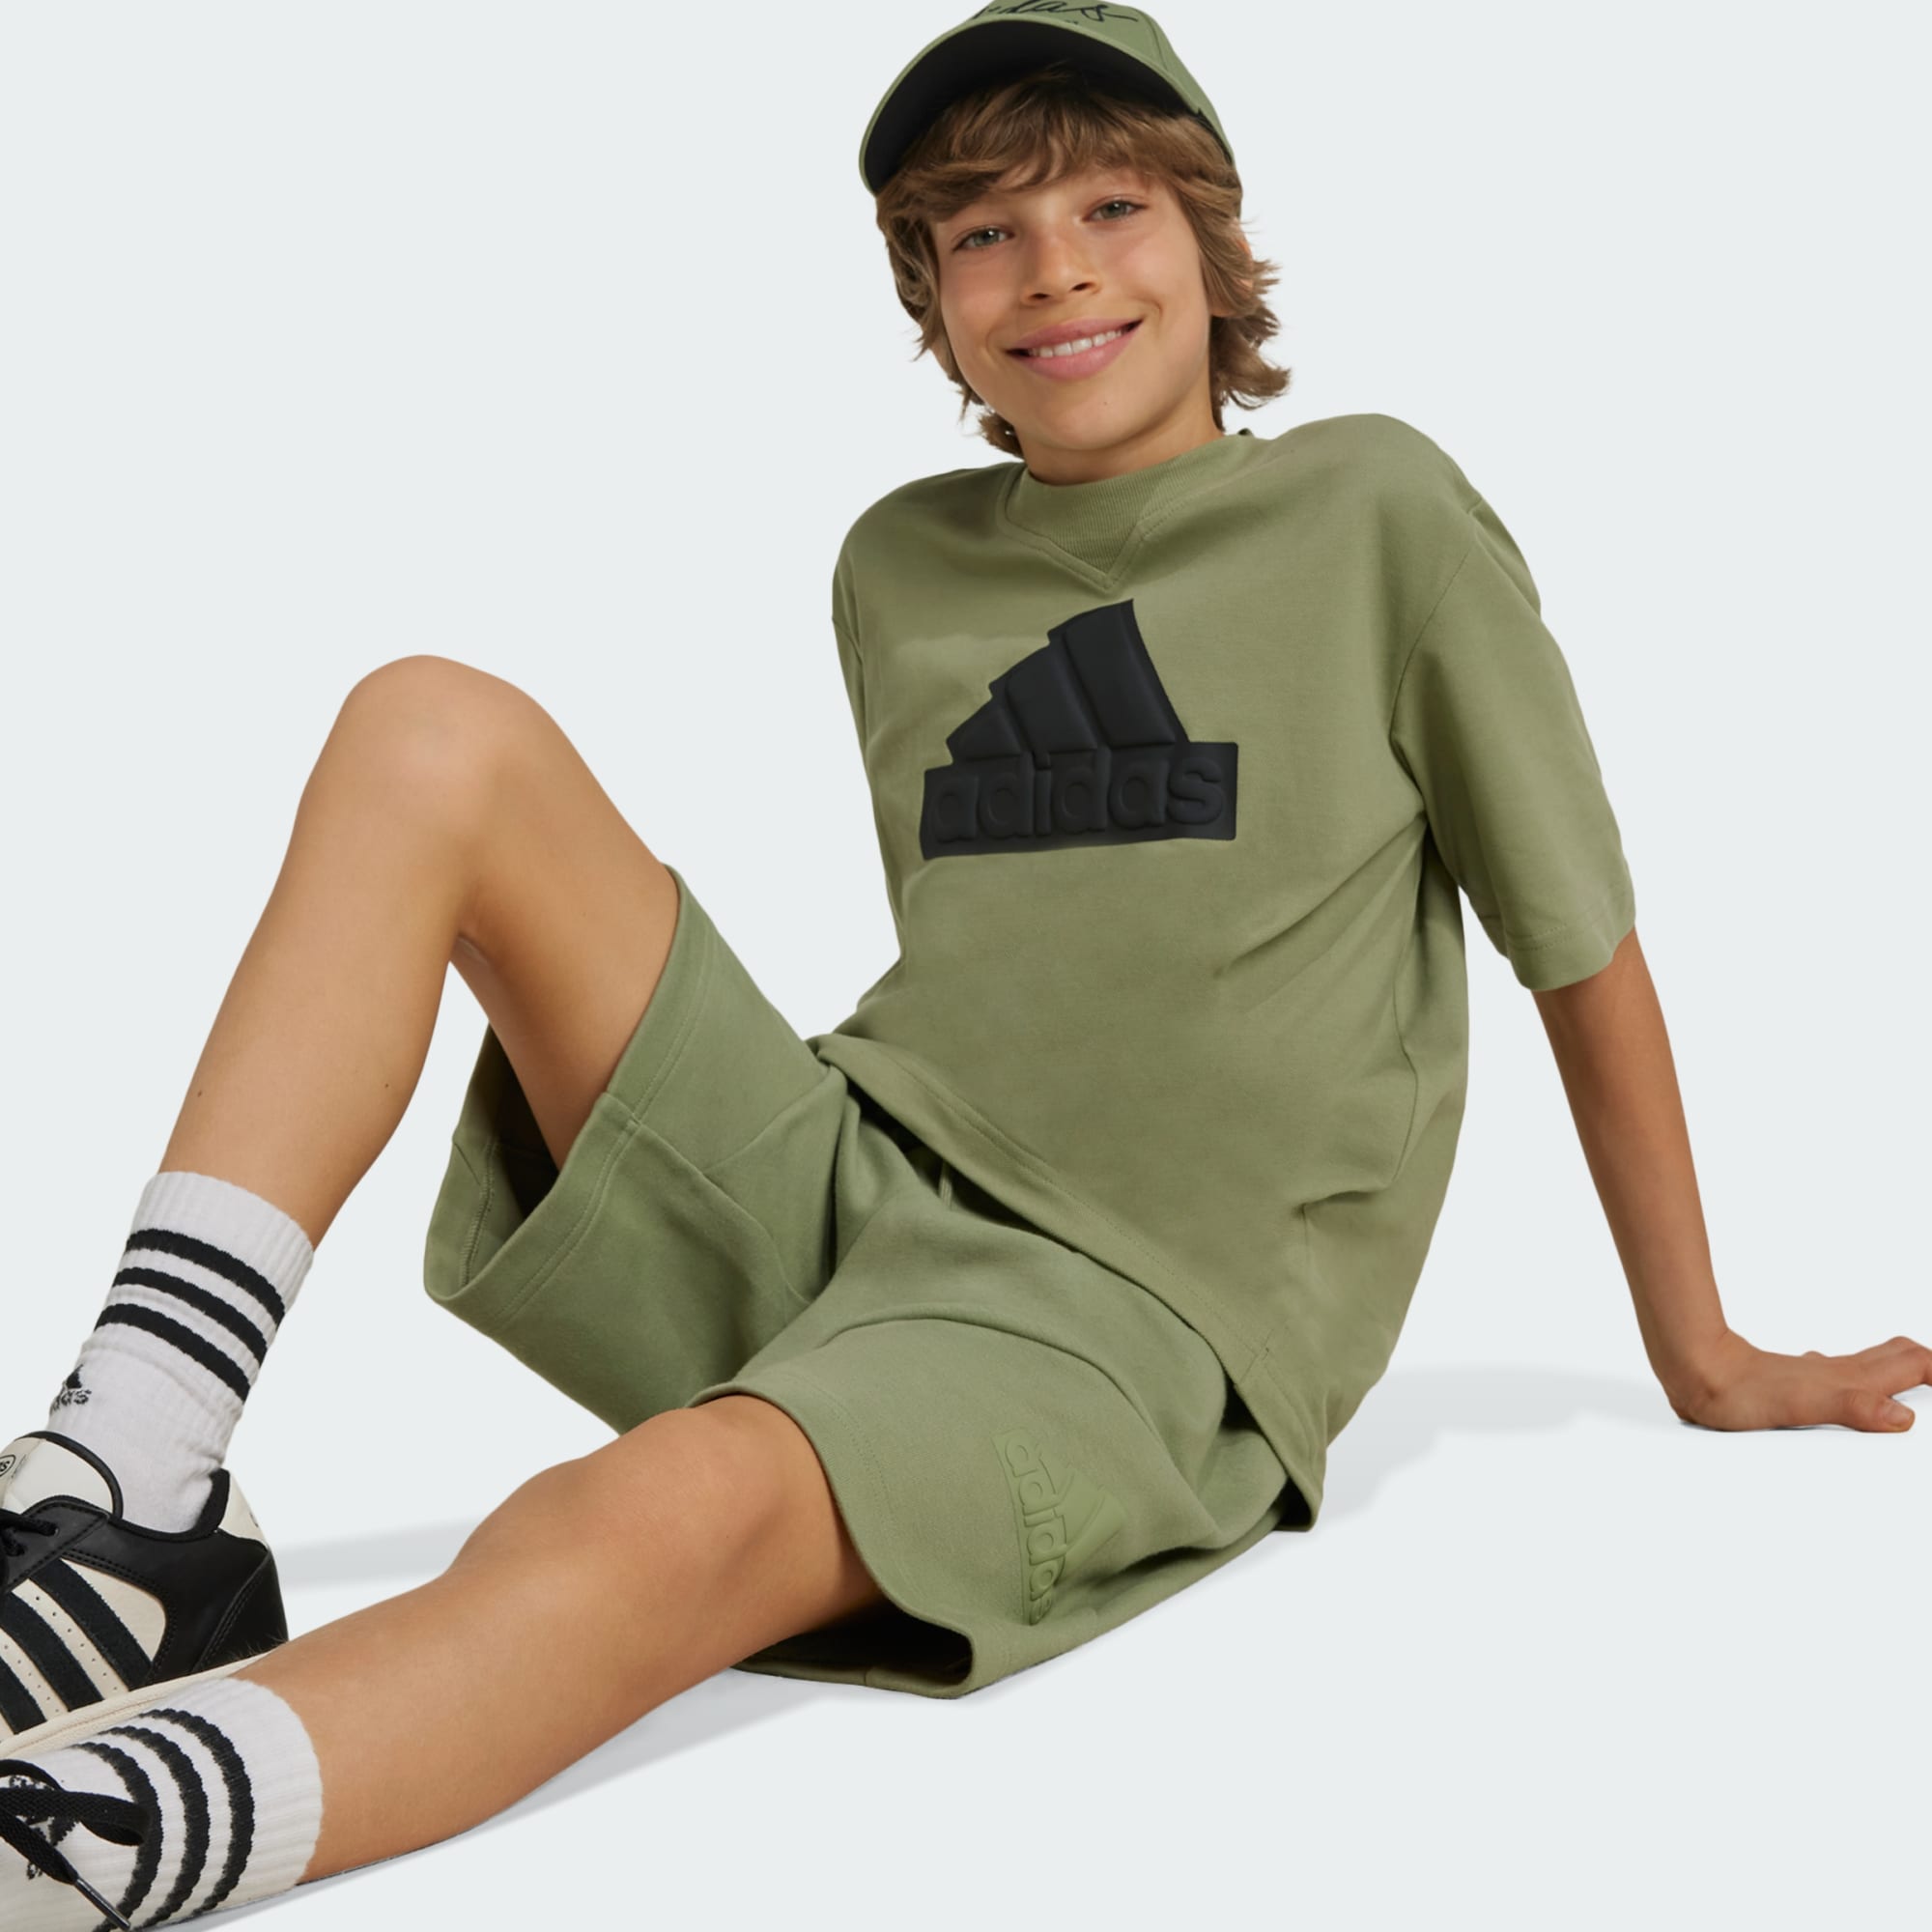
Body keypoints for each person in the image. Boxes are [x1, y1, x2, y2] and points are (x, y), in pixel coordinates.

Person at [4, 4, 1925, 1923]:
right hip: (852, 1201)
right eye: (985, 230)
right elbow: (1011, 977)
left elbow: (1576, 944)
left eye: (1112, 206)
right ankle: (127, 1486)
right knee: (431, 728)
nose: (1057, 267)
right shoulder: (897, 564)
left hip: (1127, 1328)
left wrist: (1700, 1351)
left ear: (1213, 245)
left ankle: (76, 1842)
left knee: (662, 1504)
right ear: (929, 293)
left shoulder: (1378, 513)